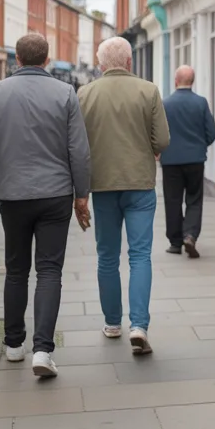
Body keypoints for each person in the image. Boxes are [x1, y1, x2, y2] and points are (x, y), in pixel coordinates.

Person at [0, 33, 91, 379]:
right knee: (50, 271)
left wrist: (0, 182)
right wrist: (81, 194)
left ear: (17, 59)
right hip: (55, 195)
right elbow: (79, 151)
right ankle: (42, 350)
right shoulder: (65, 93)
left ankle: (13, 345)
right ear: (47, 59)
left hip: (13, 195)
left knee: (16, 269)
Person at [78, 37, 169, 355]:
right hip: (140, 184)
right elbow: (163, 139)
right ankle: (140, 326)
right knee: (140, 255)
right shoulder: (148, 90)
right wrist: (150, 149)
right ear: (129, 62)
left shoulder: (85, 94)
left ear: (101, 65)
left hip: (102, 185)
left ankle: (113, 323)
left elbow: (77, 145)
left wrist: (80, 191)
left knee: (107, 256)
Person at [160, 65, 215, 258]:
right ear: (192, 82)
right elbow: (212, 133)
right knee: (194, 199)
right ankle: (190, 235)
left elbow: (158, 134)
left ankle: (175, 243)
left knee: (173, 200)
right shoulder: (201, 103)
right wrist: (200, 146)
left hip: (170, 161)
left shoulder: (165, 104)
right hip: (195, 159)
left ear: (176, 81)